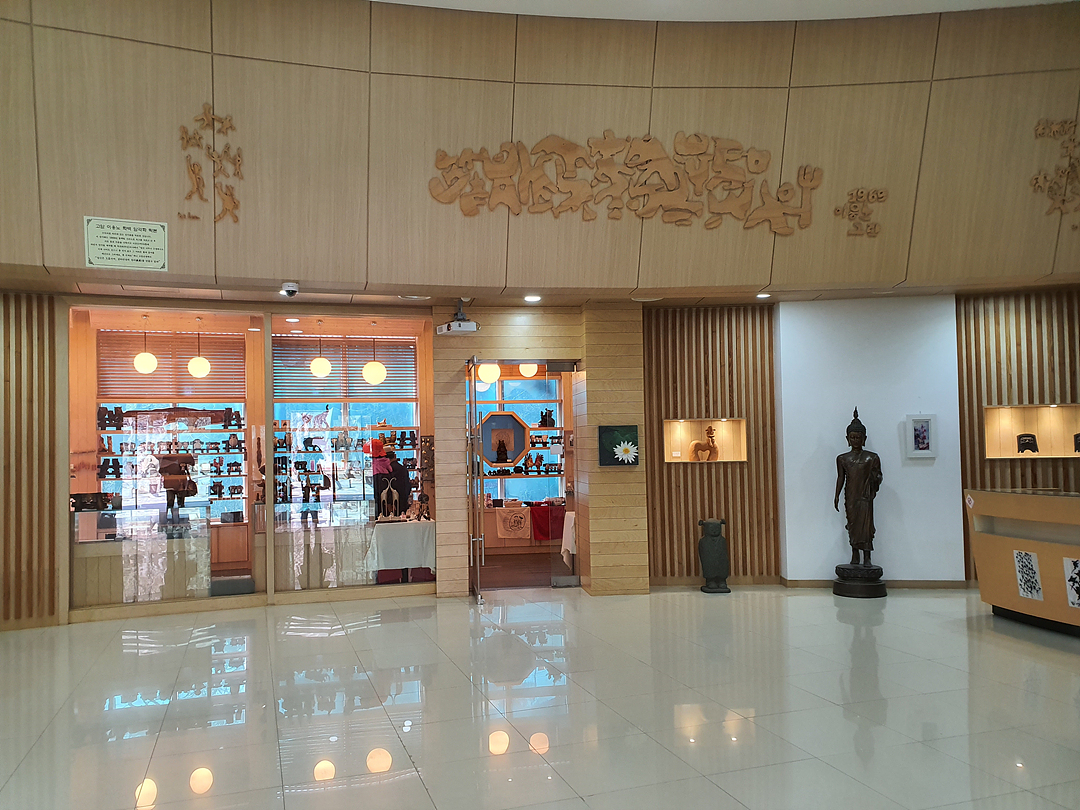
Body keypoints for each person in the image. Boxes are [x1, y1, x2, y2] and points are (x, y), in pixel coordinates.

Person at [833, 408, 882, 566]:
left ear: (864, 438)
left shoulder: (871, 458)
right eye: (852, 437)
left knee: (866, 527)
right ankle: (855, 555)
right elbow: (841, 477)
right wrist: (836, 495)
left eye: (858, 437)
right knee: (852, 525)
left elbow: (878, 476)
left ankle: (867, 557)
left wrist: (875, 478)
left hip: (865, 497)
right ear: (847, 439)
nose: (855, 440)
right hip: (851, 496)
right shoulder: (842, 459)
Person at [386, 450, 413, 517]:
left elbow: (389, 487)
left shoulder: (388, 469)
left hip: (392, 502)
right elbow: (408, 485)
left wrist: (389, 502)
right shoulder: (403, 468)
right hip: (403, 500)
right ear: (395, 456)